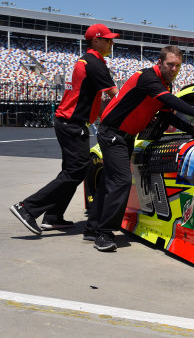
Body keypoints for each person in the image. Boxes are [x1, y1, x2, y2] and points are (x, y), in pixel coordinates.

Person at [86, 45, 194, 252]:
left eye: (178, 66)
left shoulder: (164, 84)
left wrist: (192, 129)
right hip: (112, 132)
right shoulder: (148, 77)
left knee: (109, 181)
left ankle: (92, 228)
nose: (174, 69)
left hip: (125, 136)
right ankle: (104, 234)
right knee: (122, 180)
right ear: (159, 63)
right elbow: (168, 101)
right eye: (170, 64)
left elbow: (167, 114)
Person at [10, 24, 120, 235]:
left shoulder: (86, 60)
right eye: (107, 39)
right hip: (72, 124)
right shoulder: (95, 63)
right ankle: (27, 208)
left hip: (68, 122)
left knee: (72, 171)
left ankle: (53, 216)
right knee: (77, 169)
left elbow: (92, 97)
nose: (111, 43)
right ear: (95, 41)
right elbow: (116, 95)